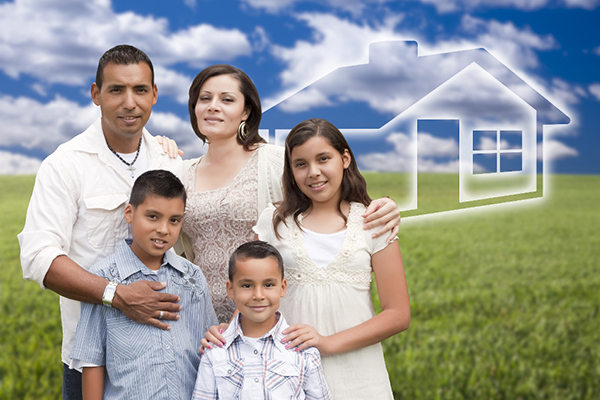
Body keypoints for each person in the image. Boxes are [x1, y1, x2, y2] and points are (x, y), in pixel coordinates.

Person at [17, 44, 183, 400]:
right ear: (96, 94)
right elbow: (38, 257)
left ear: (154, 95)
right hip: (92, 361)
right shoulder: (65, 165)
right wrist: (117, 296)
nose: (129, 102)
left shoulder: (171, 163)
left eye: (140, 90)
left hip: (164, 357)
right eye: (116, 90)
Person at [175, 64, 402, 324]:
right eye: (205, 98)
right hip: (200, 318)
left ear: (246, 111)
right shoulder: (181, 172)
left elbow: (325, 197)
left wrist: (386, 206)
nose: (213, 106)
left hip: (269, 318)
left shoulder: (273, 160)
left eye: (226, 99)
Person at [251, 118, 411, 399]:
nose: (313, 172)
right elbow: (252, 294)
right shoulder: (274, 222)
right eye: (300, 164)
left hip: (360, 378)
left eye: (323, 158)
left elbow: (397, 314)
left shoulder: (373, 221)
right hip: (289, 374)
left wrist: (327, 343)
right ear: (290, 170)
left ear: (345, 158)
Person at [70, 170, 218, 400]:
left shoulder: (192, 277)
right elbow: (92, 361)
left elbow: (209, 350)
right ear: (129, 213)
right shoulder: (103, 278)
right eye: (152, 216)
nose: (163, 229)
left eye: (174, 220)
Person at [192, 241, 330, 400]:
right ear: (231, 289)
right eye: (247, 285)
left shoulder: (303, 351)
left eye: (268, 284)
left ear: (283, 287)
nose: (258, 295)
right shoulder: (215, 351)